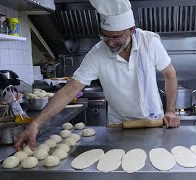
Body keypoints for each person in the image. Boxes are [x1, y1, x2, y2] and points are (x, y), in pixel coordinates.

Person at [14, 0, 180, 151]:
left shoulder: (149, 42)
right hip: (119, 127)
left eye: (116, 36)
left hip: (153, 122)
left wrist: (171, 111)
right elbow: (68, 91)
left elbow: (169, 74)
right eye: (105, 35)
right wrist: (36, 124)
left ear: (131, 30)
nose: (110, 42)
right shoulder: (97, 53)